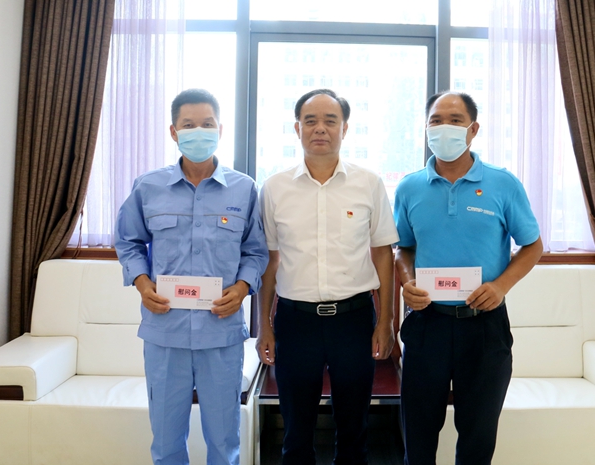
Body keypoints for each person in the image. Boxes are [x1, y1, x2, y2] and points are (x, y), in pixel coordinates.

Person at [115, 88, 269, 465]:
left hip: (221, 333)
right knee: (166, 441)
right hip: (165, 332)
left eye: (207, 124)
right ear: (173, 132)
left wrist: (242, 288)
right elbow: (128, 241)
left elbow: (256, 251)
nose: (198, 132)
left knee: (224, 441)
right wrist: (142, 284)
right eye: (188, 125)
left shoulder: (244, 188)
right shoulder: (148, 187)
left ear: (220, 129)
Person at [394, 91, 543, 465]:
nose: (444, 128)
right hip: (427, 323)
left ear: (473, 129)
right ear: (426, 128)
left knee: (478, 436)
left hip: (484, 326)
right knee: (418, 434)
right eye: (436, 120)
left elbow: (533, 246)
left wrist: (501, 286)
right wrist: (408, 282)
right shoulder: (409, 187)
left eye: (455, 120)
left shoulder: (502, 183)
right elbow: (403, 248)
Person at [256, 88, 399, 465]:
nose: (320, 128)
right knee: (295, 431)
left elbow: (383, 254)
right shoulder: (275, 188)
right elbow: (269, 261)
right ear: (297, 128)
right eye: (311, 121)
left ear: (345, 128)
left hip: (353, 320)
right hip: (295, 321)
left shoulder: (368, 184)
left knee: (354, 429)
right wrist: (264, 325)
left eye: (330, 121)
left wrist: (385, 322)